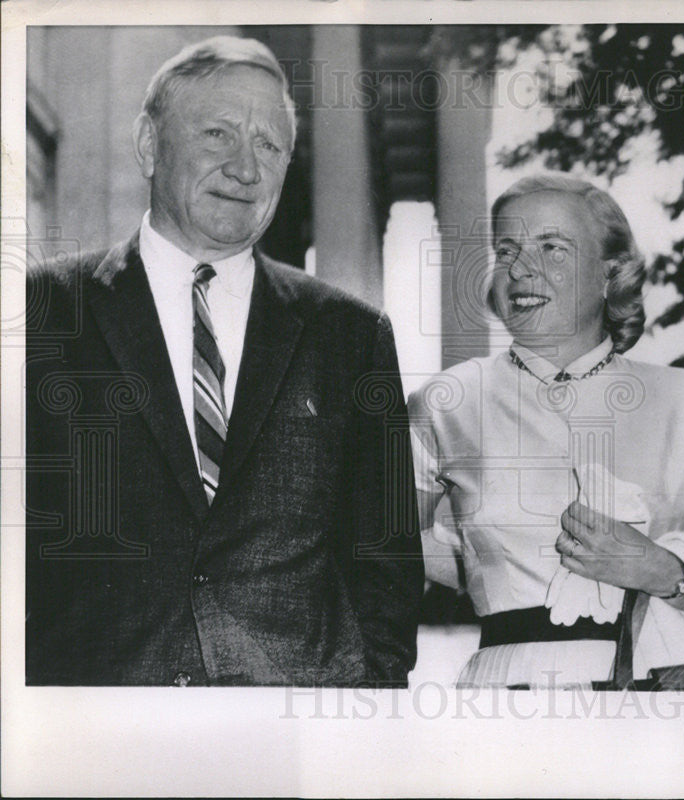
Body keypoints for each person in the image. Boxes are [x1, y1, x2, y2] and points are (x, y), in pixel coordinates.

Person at [26, 36, 423, 686]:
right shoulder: (41, 311)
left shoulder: (351, 336)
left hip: (296, 738)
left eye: (269, 144)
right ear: (149, 145)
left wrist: (367, 700)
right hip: (98, 734)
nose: (246, 167)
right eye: (217, 133)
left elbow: (387, 565)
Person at [408, 173, 684, 688]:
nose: (521, 269)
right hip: (509, 695)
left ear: (611, 274)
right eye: (507, 249)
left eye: (552, 247)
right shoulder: (447, 403)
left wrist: (660, 568)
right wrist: (479, 563)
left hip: (677, 690)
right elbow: (383, 562)